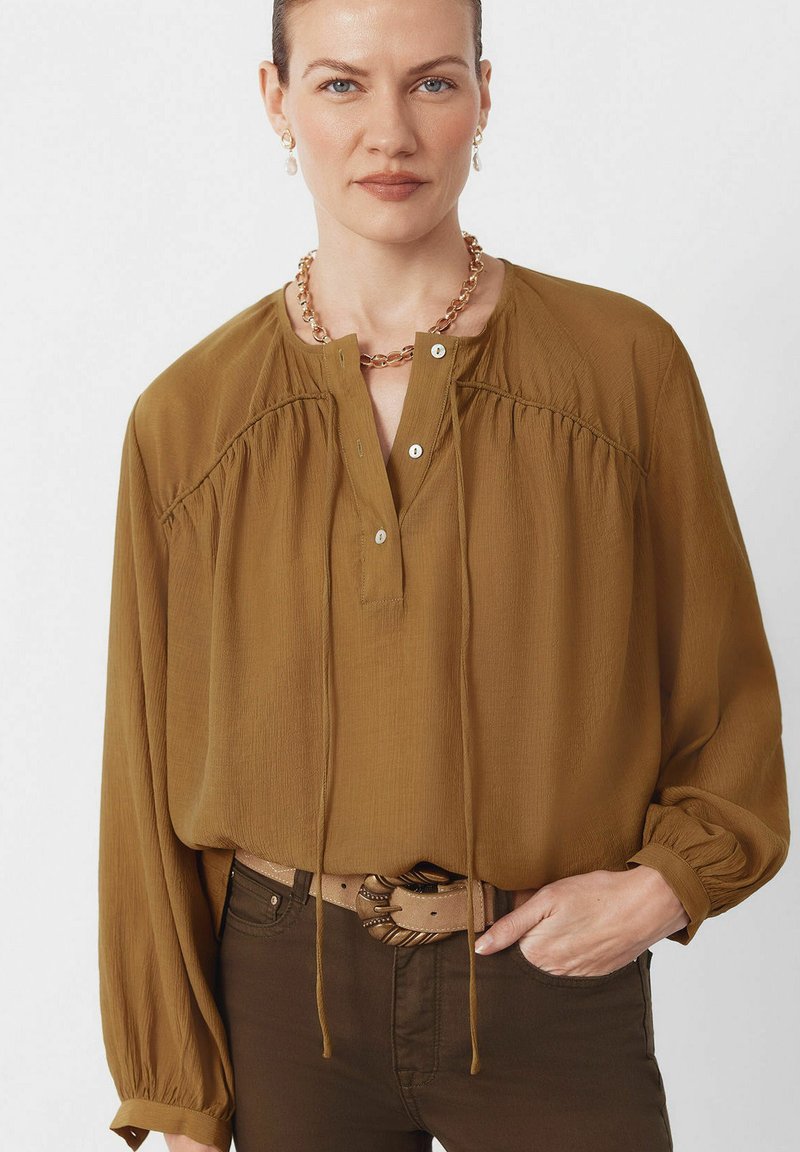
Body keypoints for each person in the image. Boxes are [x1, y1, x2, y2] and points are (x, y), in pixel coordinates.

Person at [97, 1, 790, 1150]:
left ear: (482, 93)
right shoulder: (188, 421)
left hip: (549, 978)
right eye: (339, 84)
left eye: (430, 82)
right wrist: (179, 1091)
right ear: (275, 100)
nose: (390, 133)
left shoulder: (621, 369)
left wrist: (666, 883)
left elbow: (721, 691)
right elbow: (141, 768)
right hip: (280, 997)